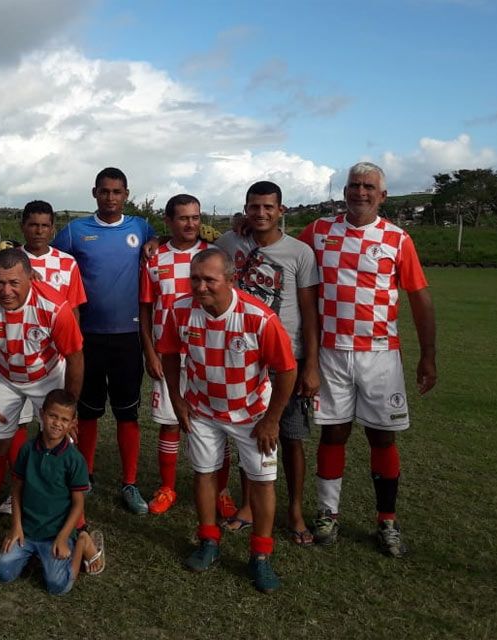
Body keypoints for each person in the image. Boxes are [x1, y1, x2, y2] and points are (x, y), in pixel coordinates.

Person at [298, 162, 436, 557]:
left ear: (383, 195)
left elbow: (419, 297)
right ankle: (328, 513)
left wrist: (428, 355)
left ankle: (387, 520)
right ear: (344, 192)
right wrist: (243, 228)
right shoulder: (320, 231)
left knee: (382, 435)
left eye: (368, 186)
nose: (360, 192)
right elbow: (283, 247)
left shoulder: (397, 238)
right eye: (354, 185)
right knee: (334, 432)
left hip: (380, 355)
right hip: (330, 352)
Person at [157, 248, 296, 593]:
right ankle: (208, 540)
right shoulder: (179, 311)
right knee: (204, 473)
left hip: (252, 414)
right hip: (202, 409)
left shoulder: (258, 317)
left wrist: (271, 420)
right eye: (195, 278)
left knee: (262, 481)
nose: (200, 286)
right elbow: (170, 354)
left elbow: (287, 370)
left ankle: (260, 556)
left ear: (231, 279)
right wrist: (178, 398)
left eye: (209, 280)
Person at [0, 248, 84, 557]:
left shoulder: (54, 306)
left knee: (60, 446)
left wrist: (70, 409)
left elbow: (76, 357)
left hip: (47, 375)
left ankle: (77, 526)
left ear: (31, 278)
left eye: (14, 283)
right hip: (4, 375)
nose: (5, 291)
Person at [215, 181, 320, 545]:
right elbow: (197, 252)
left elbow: (309, 312)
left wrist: (311, 365)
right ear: (245, 209)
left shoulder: (299, 253)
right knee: (248, 434)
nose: (260, 213)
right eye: (253, 207)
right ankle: (246, 506)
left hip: (285, 358)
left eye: (268, 207)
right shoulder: (229, 244)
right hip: (242, 358)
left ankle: (294, 510)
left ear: (281, 210)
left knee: (290, 437)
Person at [52, 167, 155, 514]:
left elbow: (164, 246)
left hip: (128, 336)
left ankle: (130, 482)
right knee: (88, 411)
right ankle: (87, 475)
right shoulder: (75, 231)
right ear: (94, 193)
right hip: (87, 337)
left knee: (128, 414)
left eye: (117, 192)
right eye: (104, 191)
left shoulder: (140, 228)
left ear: (126, 194)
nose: (111, 198)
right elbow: (49, 261)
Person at [0, 199, 88, 517]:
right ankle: (19, 489)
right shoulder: (7, 259)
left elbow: (72, 311)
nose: (38, 230)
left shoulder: (66, 263)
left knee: (55, 429)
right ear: (23, 226)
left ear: (52, 228)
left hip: (51, 361)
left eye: (45, 225)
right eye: (32, 224)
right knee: (13, 428)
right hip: (8, 361)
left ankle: (61, 499)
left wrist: (70, 350)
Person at [140, 194, 230, 516]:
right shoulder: (154, 258)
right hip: (169, 353)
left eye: (195, 217)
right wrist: (150, 350)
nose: (190, 223)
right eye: (183, 218)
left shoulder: (213, 254)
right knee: (169, 422)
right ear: (168, 221)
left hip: (209, 351)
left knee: (219, 422)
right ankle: (167, 487)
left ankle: (221, 490)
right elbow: (146, 308)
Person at [0, 389, 104, 595]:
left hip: (55, 534)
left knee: (57, 586)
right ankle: (35, 556)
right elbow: (16, 488)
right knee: (2, 573)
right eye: (53, 416)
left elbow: (78, 503)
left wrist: (63, 537)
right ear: (42, 414)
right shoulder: (27, 449)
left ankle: (82, 542)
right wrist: (15, 527)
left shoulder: (74, 460)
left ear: (72, 423)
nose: (57, 423)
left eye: (64, 419)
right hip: (27, 532)